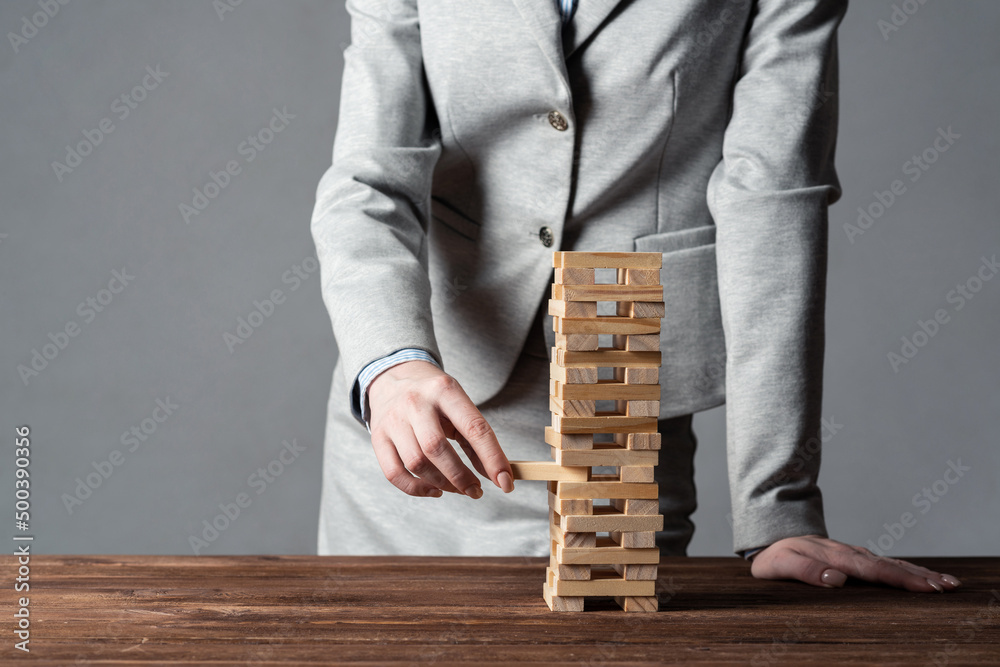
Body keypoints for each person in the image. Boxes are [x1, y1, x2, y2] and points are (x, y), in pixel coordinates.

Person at [310, 0, 960, 593]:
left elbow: (772, 203)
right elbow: (370, 178)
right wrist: (389, 364)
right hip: (415, 429)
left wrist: (777, 505)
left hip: (618, 441)